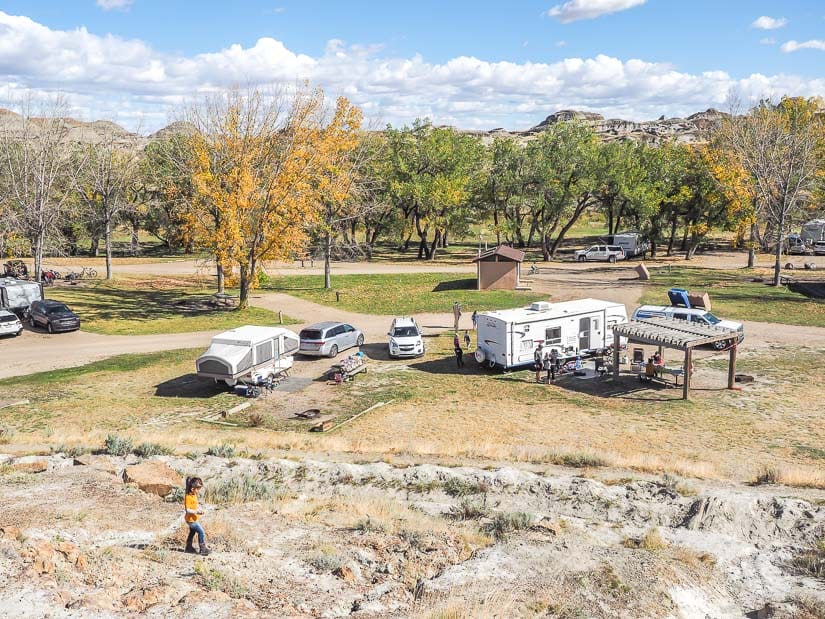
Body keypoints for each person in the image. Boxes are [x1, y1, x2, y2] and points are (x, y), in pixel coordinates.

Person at [184, 477, 211, 556]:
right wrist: (196, 511)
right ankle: (203, 549)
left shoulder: (194, 495)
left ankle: (188, 547)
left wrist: (199, 509)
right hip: (191, 520)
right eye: (197, 489)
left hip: (193, 518)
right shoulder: (188, 497)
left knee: (192, 532)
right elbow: (187, 510)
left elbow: (196, 505)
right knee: (201, 532)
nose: (198, 491)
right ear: (192, 488)